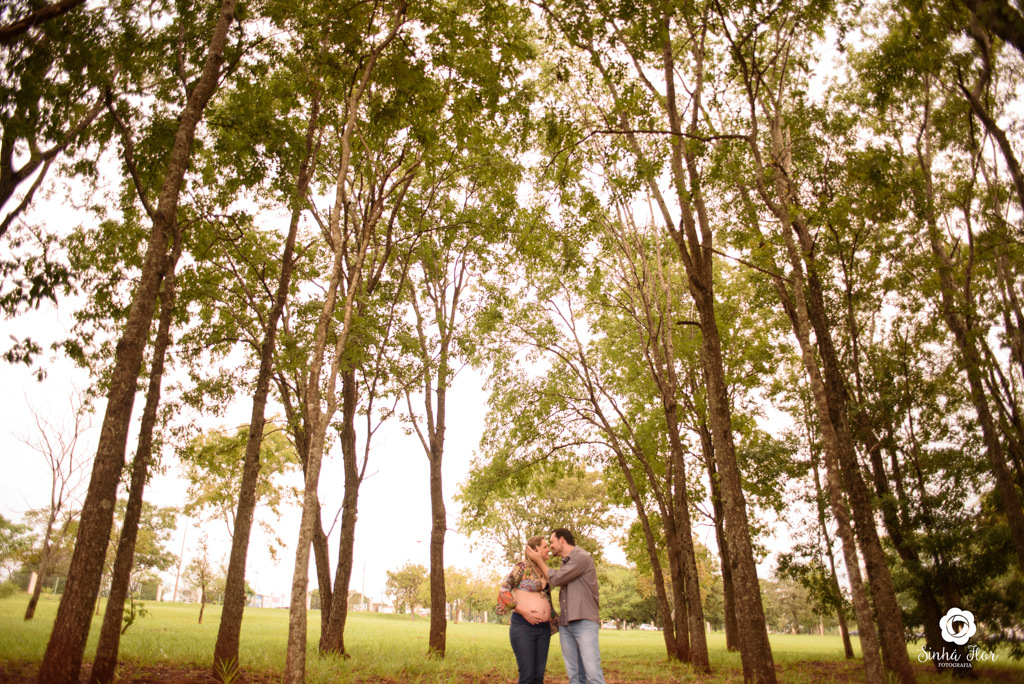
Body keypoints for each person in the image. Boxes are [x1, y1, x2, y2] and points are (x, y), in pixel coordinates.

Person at [526, 528, 606, 684]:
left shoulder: (582, 557)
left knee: (592, 674)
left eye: (552, 542)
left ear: (561, 540)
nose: (550, 547)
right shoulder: (566, 562)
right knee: (574, 676)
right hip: (566, 624)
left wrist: (539, 561)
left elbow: (556, 579)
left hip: (584, 622)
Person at [497, 535, 559, 684]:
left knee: (538, 677)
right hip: (524, 627)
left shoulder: (545, 570)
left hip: (543, 630)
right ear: (535, 549)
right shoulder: (522, 567)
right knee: (527, 676)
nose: (549, 549)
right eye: (545, 547)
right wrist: (524, 612)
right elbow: (504, 590)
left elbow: (547, 599)